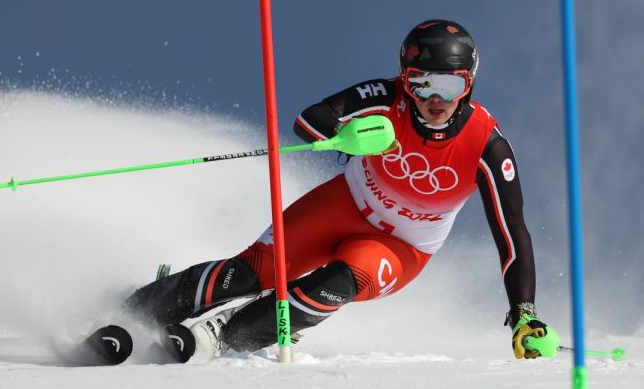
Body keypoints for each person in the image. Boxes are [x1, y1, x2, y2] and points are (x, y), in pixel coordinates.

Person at [125, 19, 557, 362]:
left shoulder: (487, 145)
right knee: (254, 271)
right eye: (421, 83)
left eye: (450, 85)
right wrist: (346, 136)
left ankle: (221, 336)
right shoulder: (388, 98)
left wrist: (523, 313)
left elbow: (512, 232)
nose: (434, 98)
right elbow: (310, 120)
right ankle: (135, 308)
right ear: (405, 80)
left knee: (336, 282)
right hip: (344, 205)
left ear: (469, 85)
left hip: (402, 247)